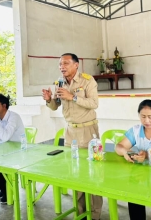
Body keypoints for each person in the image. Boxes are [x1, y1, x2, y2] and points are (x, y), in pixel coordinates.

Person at [42, 53, 103, 220]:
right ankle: (81, 213)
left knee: (93, 173)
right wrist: (49, 100)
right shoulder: (60, 83)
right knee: (75, 173)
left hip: (88, 131)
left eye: (66, 63)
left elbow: (94, 103)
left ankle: (95, 214)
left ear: (76, 65)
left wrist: (73, 97)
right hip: (70, 134)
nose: (62, 67)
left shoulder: (87, 80)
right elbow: (56, 106)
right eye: (60, 64)